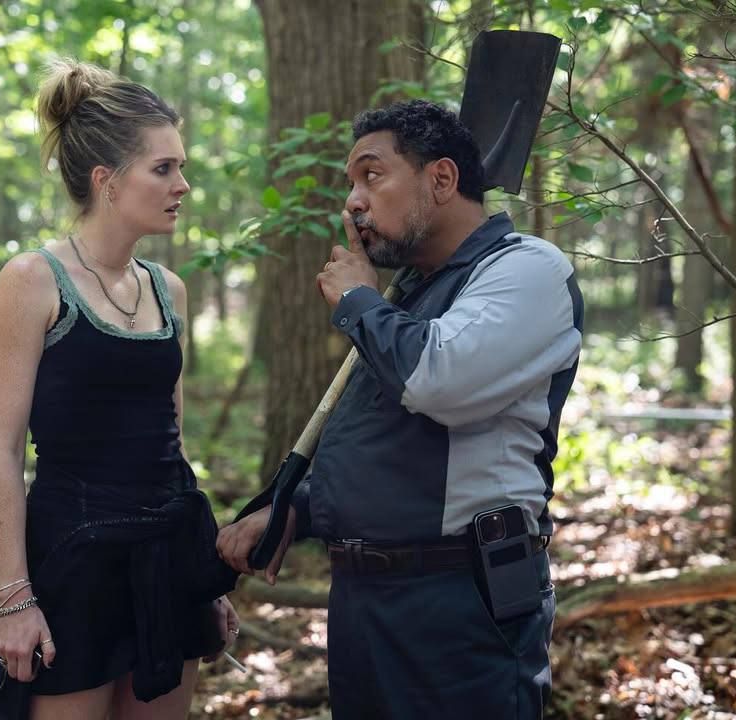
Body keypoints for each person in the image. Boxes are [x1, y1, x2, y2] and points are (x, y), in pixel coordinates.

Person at [217, 99, 584, 719]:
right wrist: (297, 509)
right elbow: (387, 441)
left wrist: (359, 302)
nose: (353, 202)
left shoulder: (527, 269)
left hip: (461, 607)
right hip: (364, 604)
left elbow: (440, 381)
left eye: (372, 175)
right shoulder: (410, 292)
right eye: (350, 184)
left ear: (441, 179)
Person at [0, 59, 239, 720]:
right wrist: (15, 596)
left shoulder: (168, 290)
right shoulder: (32, 280)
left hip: (167, 557)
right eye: (164, 168)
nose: (183, 185)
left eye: (181, 167)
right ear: (107, 180)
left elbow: (171, 444)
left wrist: (202, 577)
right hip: (77, 563)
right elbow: (1, 449)